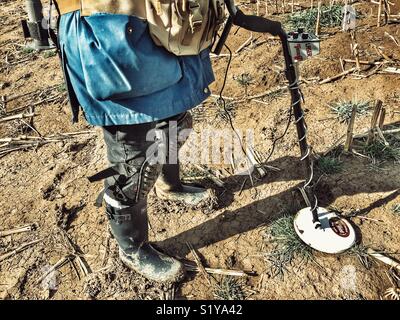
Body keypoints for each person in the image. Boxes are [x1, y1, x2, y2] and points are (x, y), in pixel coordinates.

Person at [55, 0, 219, 283]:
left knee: (175, 121)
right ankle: (132, 249)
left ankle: (170, 186)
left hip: (164, 21)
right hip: (108, 27)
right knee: (134, 159)